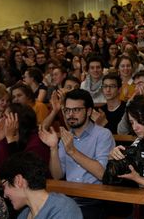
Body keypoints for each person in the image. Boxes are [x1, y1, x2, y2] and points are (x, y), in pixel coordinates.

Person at [38, 89, 115, 219]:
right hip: (67, 198)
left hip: (93, 201)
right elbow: (57, 175)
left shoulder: (103, 135)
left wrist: (73, 151)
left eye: (76, 110)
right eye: (67, 110)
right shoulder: (66, 138)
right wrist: (53, 149)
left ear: (89, 111)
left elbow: (103, 174)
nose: (70, 115)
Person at [0, 152, 83, 219]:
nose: (4, 195)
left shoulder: (64, 209)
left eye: (3, 186)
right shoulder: (23, 215)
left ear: (18, 180)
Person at [0, 103, 50, 172]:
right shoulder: (3, 140)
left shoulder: (36, 142)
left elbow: (18, 172)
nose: (0, 121)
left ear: (17, 122)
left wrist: (11, 140)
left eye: (5, 117)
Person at [109, 95, 144, 188]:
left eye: (139, 121)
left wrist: (138, 179)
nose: (134, 127)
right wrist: (113, 156)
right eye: (132, 122)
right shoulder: (138, 143)